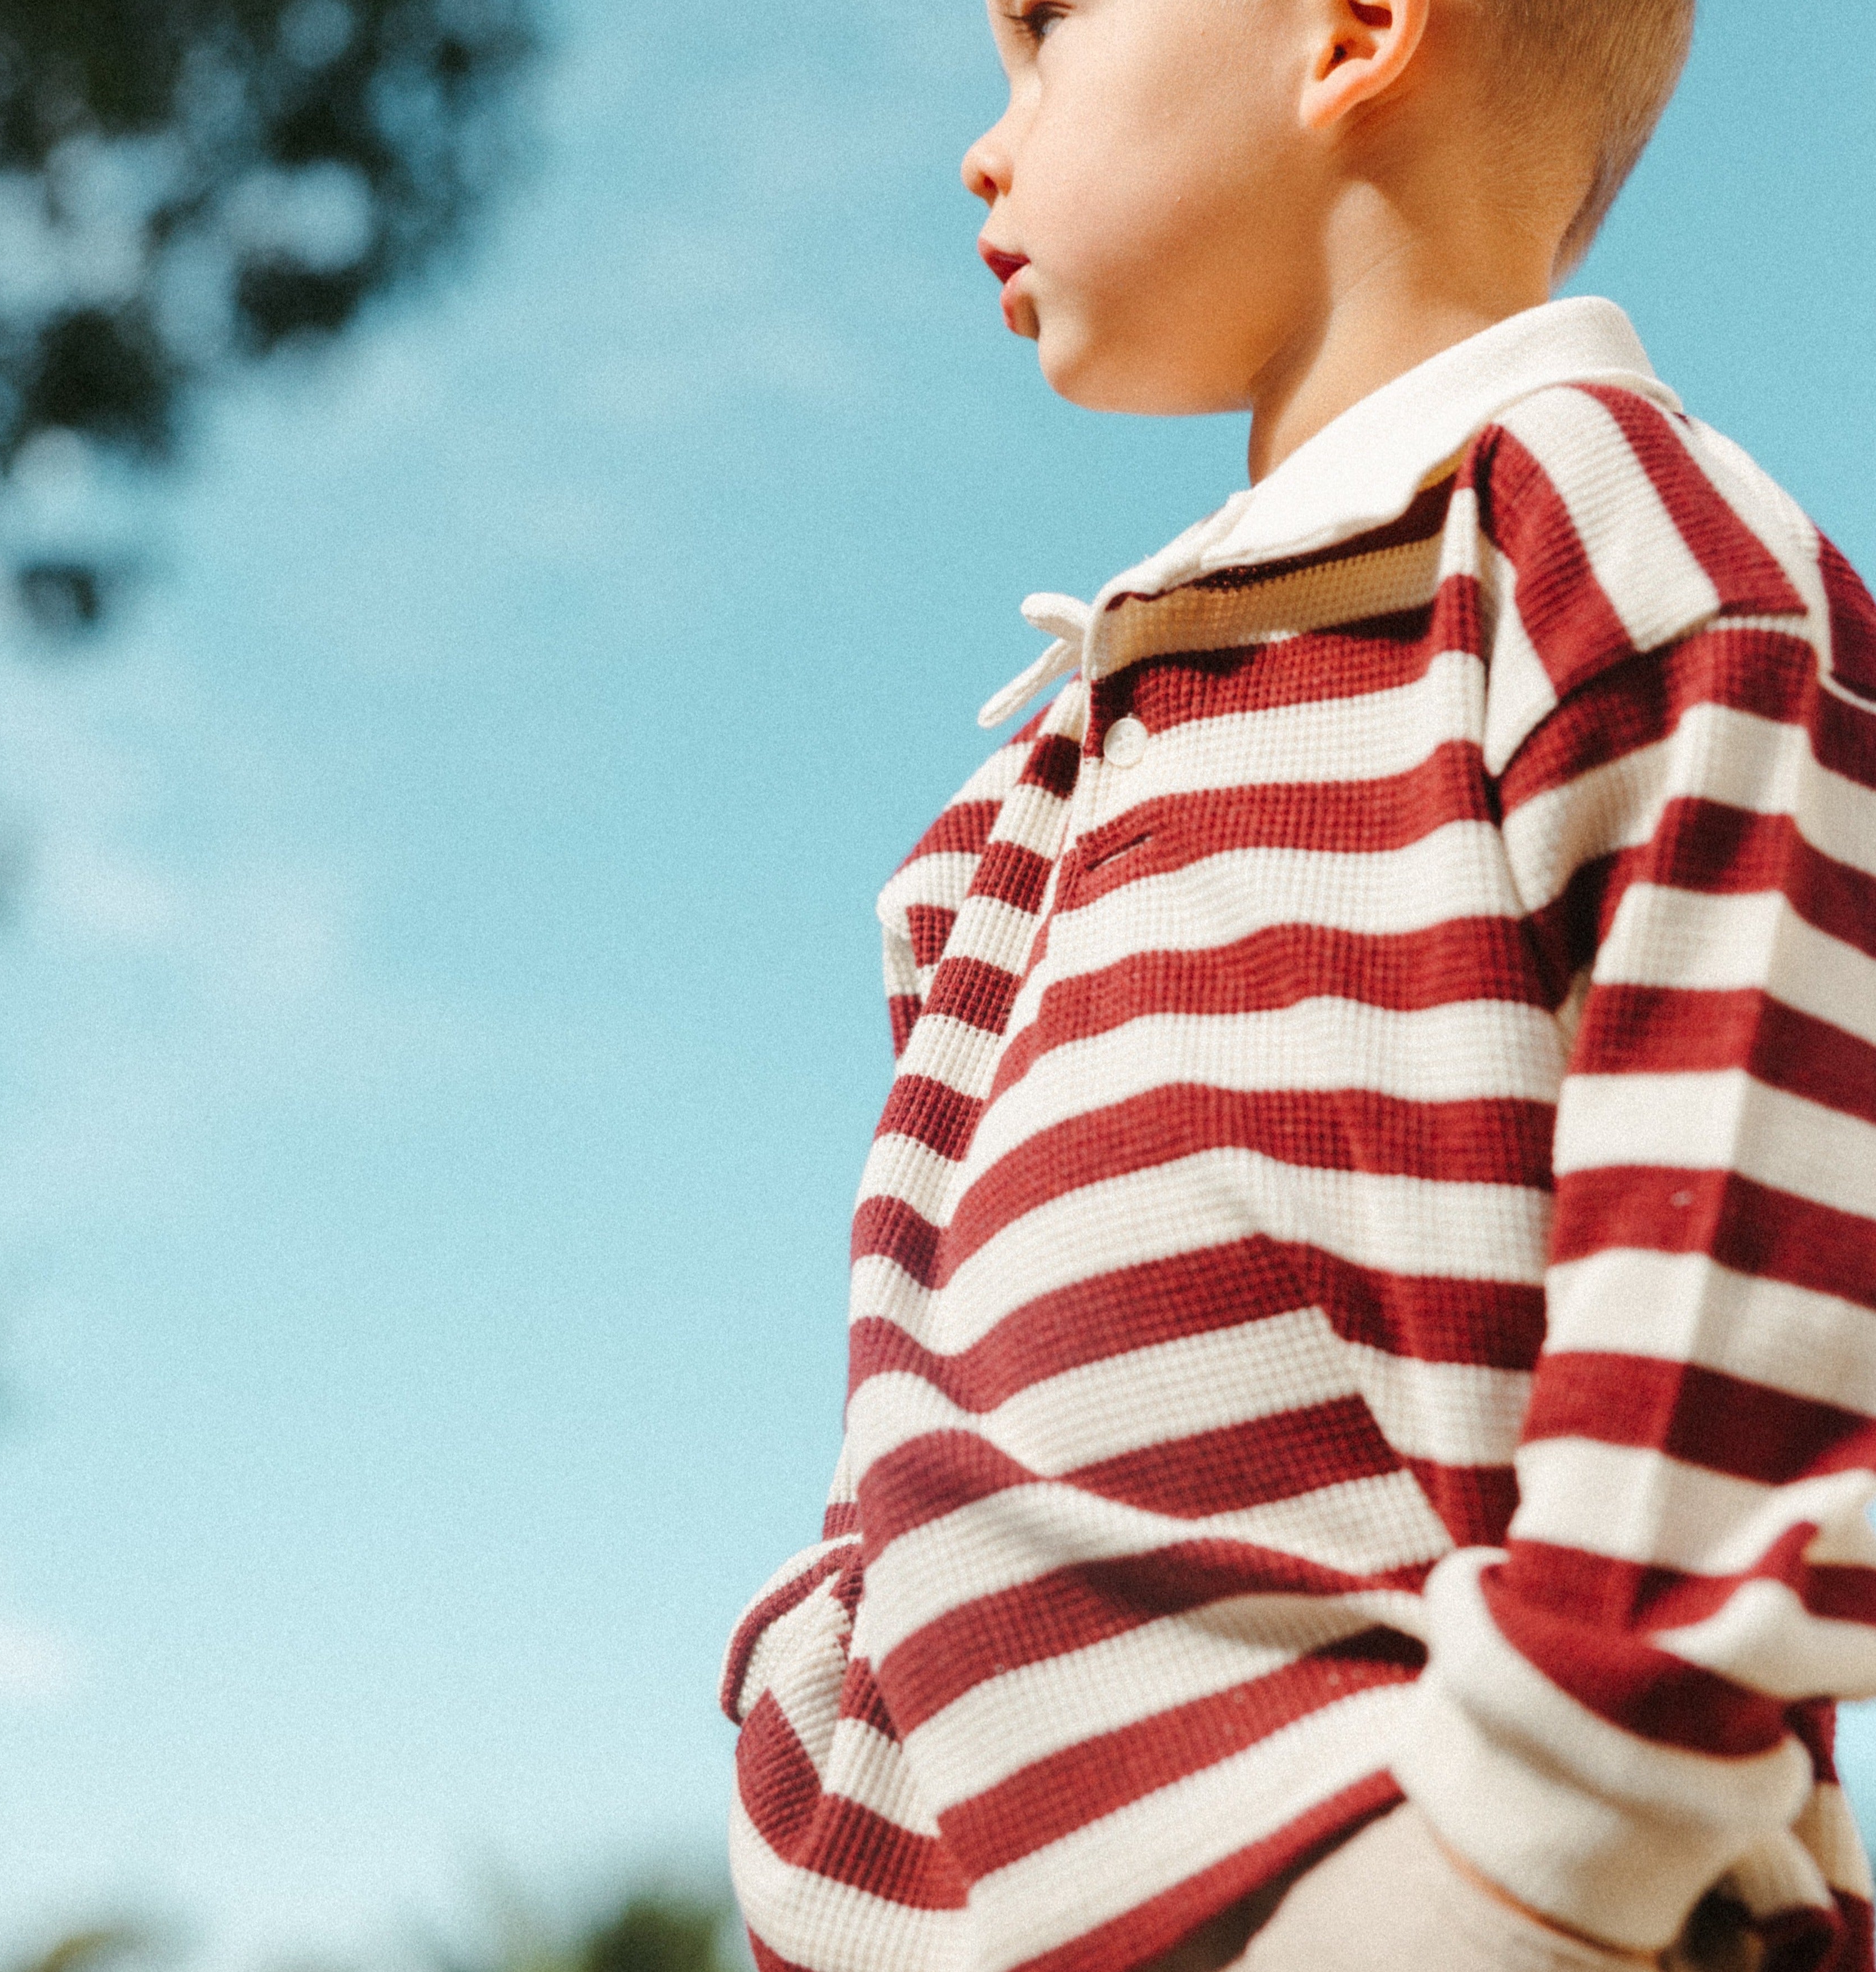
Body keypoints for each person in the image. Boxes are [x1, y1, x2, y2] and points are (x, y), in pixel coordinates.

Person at [718, 1, 1876, 1968]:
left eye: (1042, 31)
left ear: (1350, 30)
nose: (983, 148)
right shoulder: (1011, 810)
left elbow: (1759, 1256)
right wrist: (812, 1759)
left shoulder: (1617, 561)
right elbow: (904, 1398)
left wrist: (1536, 1858)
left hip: (1458, 1882)